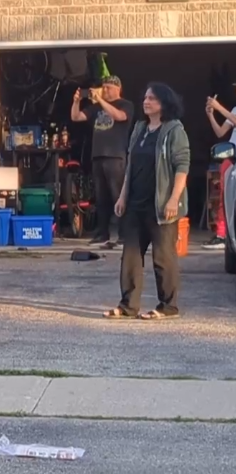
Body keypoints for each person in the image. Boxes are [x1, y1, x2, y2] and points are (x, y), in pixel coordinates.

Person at [103, 82, 189, 321]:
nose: (146, 101)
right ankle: (128, 306)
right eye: (145, 97)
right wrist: (122, 196)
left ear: (164, 103)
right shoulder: (140, 128)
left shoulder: (174, 130)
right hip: (135, 204)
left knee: (163, 256)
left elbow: (182, 166)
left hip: (161, 205)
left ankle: (168, 306)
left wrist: (173, 199)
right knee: (130, 255)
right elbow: (131, 165)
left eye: (152, 98)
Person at [71, 75, 136, 249]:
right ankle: (102, 233)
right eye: (103, 87)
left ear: (118, 89)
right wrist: (76, 101)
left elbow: (120, 117)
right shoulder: (96, 107)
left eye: (108, 88)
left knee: (118, 196)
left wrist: (100, 99)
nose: (105, 90)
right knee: (100, 197)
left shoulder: (126, 104)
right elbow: (76, 117)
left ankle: (125, 234)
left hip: (115, 156)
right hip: (97, 155)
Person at [204, 94, 236, 250]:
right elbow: (220, 132)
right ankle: (222, 235)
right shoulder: (235, 110)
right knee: (225, 198)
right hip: (231, 158)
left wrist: (218, 107)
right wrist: (211, 115)